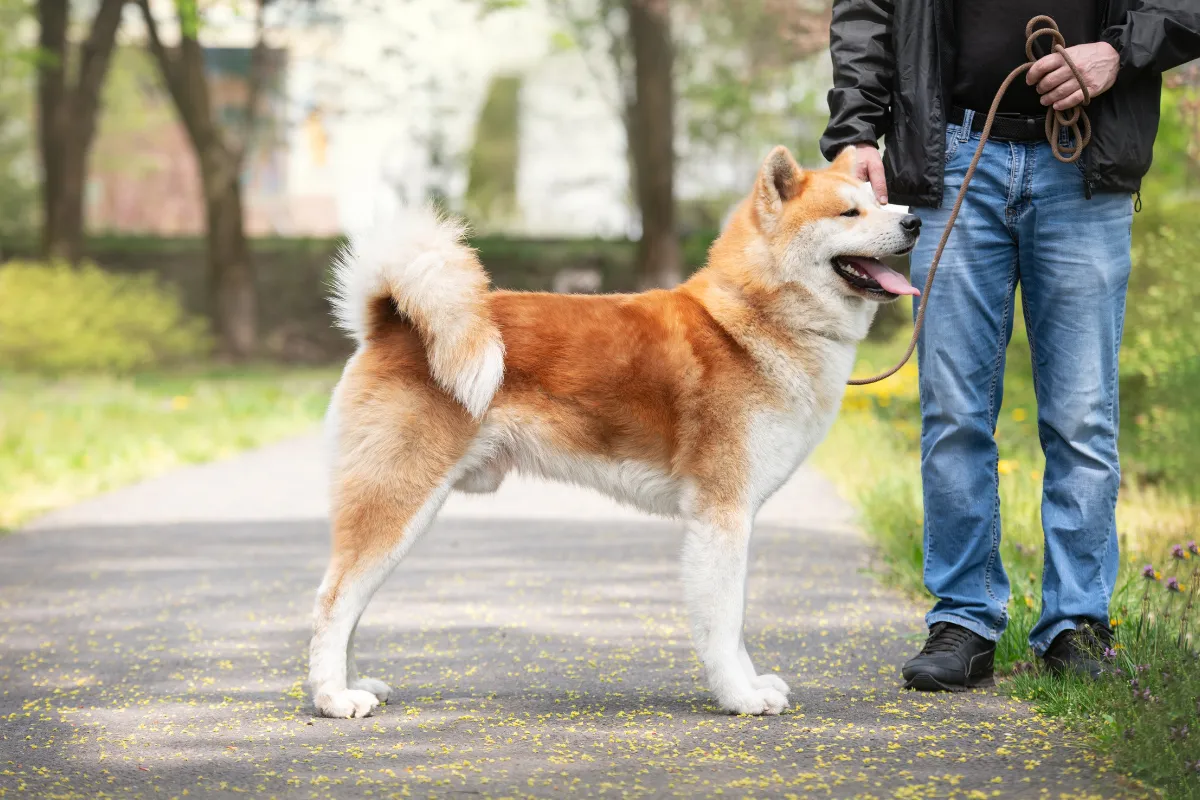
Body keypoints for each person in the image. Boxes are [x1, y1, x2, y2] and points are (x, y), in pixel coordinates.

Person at [821, 1, 1200, 690]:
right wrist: (856, 132)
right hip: (953, 155)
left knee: (1082, 415)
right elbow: (867, 11)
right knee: (954, 412)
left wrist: (1120, 52)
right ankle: (964, 619)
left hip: (1083, 158)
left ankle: (1076, 623)